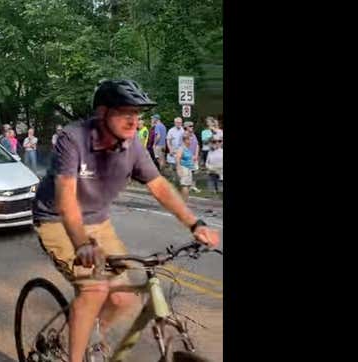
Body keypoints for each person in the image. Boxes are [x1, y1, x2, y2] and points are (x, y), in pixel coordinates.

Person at [32, 79, 219, 362]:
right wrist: (81, 243)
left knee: (125, 298)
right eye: (125, 113)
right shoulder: (73, 139)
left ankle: (92, 337)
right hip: (57, 220)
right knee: (94, 289)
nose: (134, 121)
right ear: (102, 113)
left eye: (137, 114)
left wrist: (195, 224)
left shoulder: (131, 146)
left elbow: (158, 186)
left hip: (98, 220)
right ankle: (75, 355)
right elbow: (66, 199)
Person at [176, 133, 195, 202]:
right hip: (184, 168)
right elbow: (178, 158)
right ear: (185, 140)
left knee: (188, 186)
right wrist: (179, 168)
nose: (191, 141)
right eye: (190, 140)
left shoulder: (188, 149)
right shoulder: (181, 148)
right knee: (185, 185)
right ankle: (184, 201)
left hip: (189, 168)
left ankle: (184, 200)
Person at [184, 121, 201, 193]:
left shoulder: (193, 135)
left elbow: (197, 145)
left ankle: (193, 186)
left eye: (192, 126)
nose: (192, 127)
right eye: (190, 126)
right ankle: (187, 187)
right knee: (187, 173)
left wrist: (196, 155)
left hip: (194, 156)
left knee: (195, 172)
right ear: (186, 127)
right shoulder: (184, 135)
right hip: (187, 157)